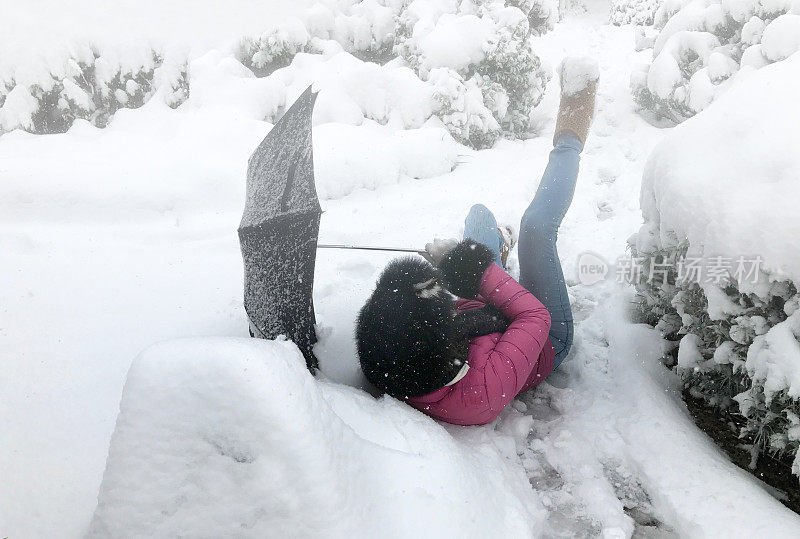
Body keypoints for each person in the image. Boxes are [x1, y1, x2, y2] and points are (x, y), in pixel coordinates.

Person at [356, 57, 599, 426]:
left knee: (480, 215)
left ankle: (497, 248)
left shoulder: (407, 350)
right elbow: (534, 315)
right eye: (439, 306)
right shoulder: (479, 393)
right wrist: (478, 270)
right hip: (544, 337)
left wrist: (448, 267)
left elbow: (454, 317)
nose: (442, 305)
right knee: (536, 228)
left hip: (490, 318)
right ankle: (570, 138)